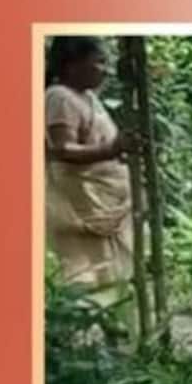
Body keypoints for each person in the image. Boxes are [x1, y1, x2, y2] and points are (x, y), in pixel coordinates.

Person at [43, 36, 136, 294]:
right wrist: (112, 149)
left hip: (103, 203)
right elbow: (63, 148)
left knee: (108, 275)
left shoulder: (88, 97)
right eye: (99, 62)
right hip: (82, 205)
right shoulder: (60, 97)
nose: (105, 70)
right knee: (84, 274)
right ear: (72, 65)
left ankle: (111, 326)